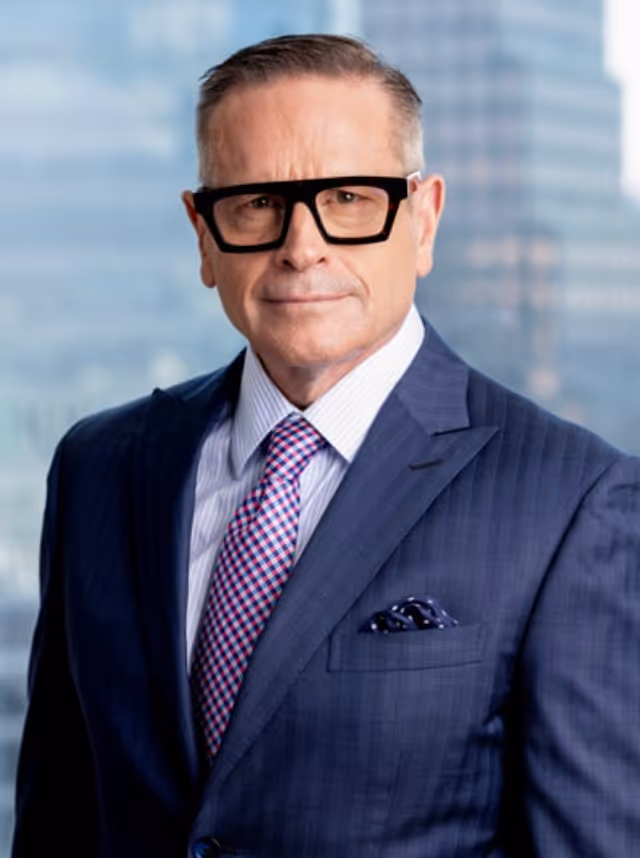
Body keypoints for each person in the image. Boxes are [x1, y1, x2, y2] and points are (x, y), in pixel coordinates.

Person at [12, 33, 640, 858]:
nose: (301, 247)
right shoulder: (98, 468)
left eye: (348, 198)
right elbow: (59, 817)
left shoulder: (571, 500)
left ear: (422, 220)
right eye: (257, 204)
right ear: (203, 234)